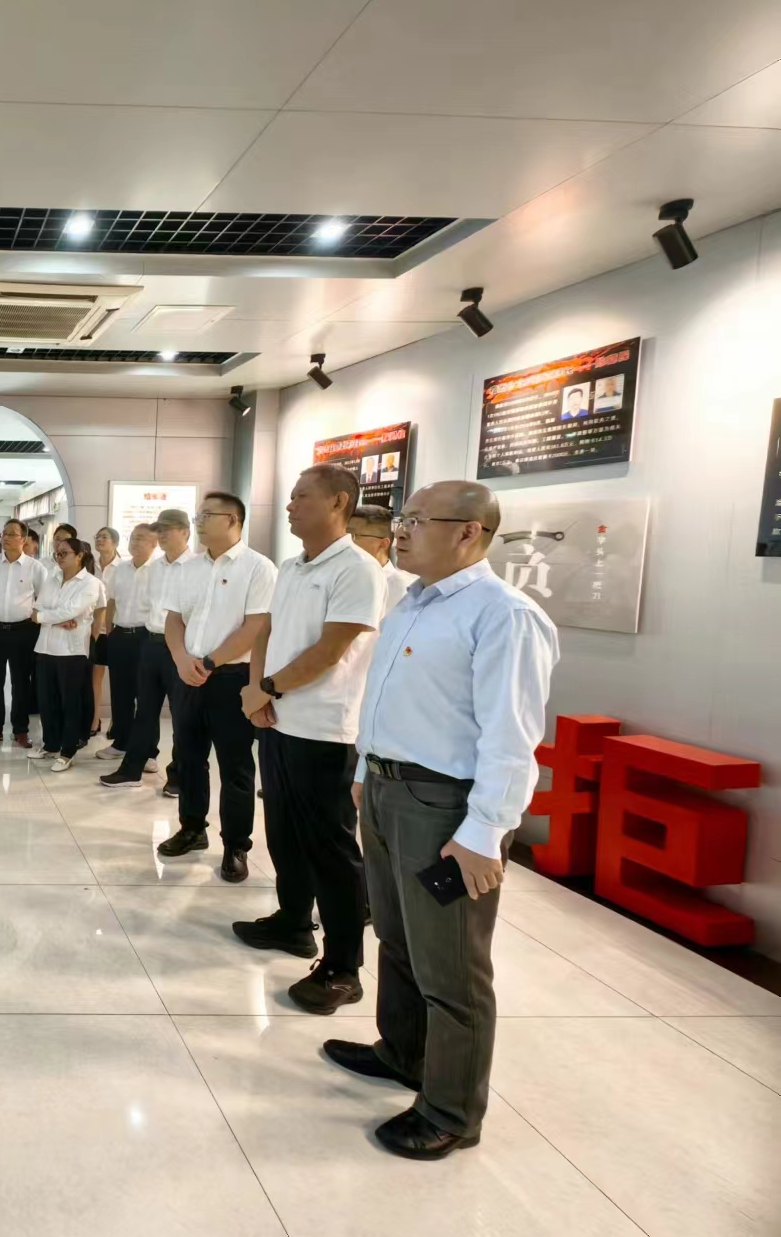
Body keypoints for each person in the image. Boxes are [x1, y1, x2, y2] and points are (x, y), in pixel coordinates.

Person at [326, 481, 558, 1161]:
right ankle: (402, 1051)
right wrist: (367, 773)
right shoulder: (412, 602)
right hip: (388, 792)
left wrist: (485, 832)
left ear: (468, 532)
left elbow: (512, 738)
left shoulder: (504, 615)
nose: (400, 530)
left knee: (451, 963)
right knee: (397, 936)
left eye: (417, 520)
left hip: (445, 808)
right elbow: (386, 698)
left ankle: (452, 1109)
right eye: (403, 518)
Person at [235, 464, 384, 1015]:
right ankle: (292, 921)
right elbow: (266, 632)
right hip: (277, 720)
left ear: (339, 502)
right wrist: (256, 690)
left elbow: (330, 650)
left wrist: (268, 688)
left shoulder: (357, 569)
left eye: (301, 496)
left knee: (331, 850)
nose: (290, 505)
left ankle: (343, 968)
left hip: (325, 730)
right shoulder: (292, 566)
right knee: (284, 833)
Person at [157, 493, 278, 881]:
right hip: (188, 674)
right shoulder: (188, 567)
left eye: (207, 515)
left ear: (233, 519)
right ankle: (192, 828)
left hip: (231, 678)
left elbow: (255, 627)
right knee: (188, 758)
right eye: (198, 516)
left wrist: (210, 662)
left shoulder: (258, 567)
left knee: (235, 766)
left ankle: (236, 845)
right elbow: (174, 619)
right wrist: (181, 658)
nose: (199, 522)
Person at [98, 508, 196, 794]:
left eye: (167, 529)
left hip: (181, 647)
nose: (162, 534)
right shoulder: (156, 568)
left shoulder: (197, 567)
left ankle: (179, 776)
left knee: (181, 715)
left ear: (185, 532)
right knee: (145, 710)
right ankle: (131, 769)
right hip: (151, 642)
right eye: (159, 529)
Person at [29, 536, 103, 771]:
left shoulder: (90, 583)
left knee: (71, 703)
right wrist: (56, 619)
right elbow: (37, 608)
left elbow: (71, 610)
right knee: (47, 700)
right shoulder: (52, 578)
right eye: (57, 553)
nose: (59, 557)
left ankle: (68, 751)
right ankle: (50, 744)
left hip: (72, 651)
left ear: (79, 556)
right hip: (45, 647)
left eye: (64, 553)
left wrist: (46, 618)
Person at [0, 518, 47, 747]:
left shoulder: (35, 568)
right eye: (4, 533)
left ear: (23, 539)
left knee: (21, 682)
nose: (5, 537)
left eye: (11, 534)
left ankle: (20, 730)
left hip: (24, 630)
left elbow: (43, 599)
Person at [95, 522, 158, 762]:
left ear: (154, 543)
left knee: (147, 697)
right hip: (120, 635)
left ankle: (149, 752)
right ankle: (121, 742)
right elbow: (111, 602)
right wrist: (111, 631)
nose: (134, 541)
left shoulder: (159, 570)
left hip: (146, 637)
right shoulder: (120, 569)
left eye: (141, 538)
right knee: (120, 693)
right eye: (132, 537)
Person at [351, 503, 412, 612]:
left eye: (353, 536)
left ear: (383, 544)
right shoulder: (340, 577)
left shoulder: (399, 588)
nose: (346, 542)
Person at [89, 526, 121, 738]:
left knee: (119, 680)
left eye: (105, 537)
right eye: (97, 536)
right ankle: (94, 719)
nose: (100, 540)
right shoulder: (90, 566)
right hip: (94, 628)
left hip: (116, 628)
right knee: (95, 677)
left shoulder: (123, 567)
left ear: (115, 543)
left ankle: (117, 723)